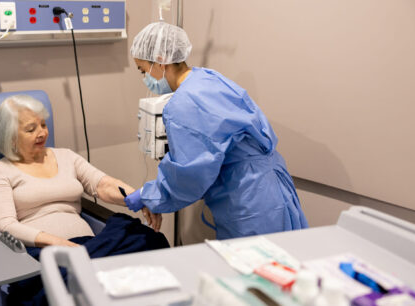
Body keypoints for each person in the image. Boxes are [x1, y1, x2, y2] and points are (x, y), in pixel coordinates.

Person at [124, 22, 309, 240]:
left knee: (258, 267)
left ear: (160, 60)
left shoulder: (184, 104)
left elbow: (189, 174)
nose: (144, 77)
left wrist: (149, 195)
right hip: (272, 185)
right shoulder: (209, 78)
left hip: (249, 199)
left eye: (143, 69)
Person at [0, 95, 168, 304]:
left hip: (92, 245)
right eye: (31, 129)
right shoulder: (1, 171)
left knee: (151, 240)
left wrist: (140, 198)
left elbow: (101, 184)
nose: (42, 133)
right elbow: (6, 224)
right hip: (44, 253)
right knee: (70, 281)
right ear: (10, 136)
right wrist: (57, 243)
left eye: (43, 125)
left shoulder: (65, 156)